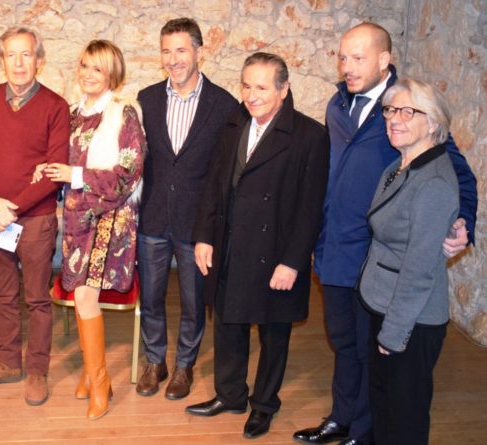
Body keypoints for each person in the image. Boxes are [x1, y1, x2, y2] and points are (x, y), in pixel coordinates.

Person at [294, 22, 478, 445]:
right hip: (336, 249)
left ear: (384, 59)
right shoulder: (337, 105)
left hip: (375, 257)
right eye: (343, 57)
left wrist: (463, 221)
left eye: (358, 58)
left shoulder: (409, 110)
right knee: (343, 343)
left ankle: (363, 431)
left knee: (371, 352)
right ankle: (341, 418)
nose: (347, 66)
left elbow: (458, 176)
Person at [185, 52, 330, 439]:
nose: (251, 95)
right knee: (228, 322)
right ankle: (230, 395)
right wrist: (204, 235)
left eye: (262, 87)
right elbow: (214, 185)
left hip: (275, 254)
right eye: (246, 86)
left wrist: (293, 262)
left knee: (273, 333)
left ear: (284, 89)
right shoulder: (234, 125)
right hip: (230, 243)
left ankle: (264, 405)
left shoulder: (310, 136)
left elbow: (310, 207)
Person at [33, 39, 145, 420]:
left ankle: (100, 382)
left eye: (97, 68)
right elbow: (57, 161)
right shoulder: (70, 114)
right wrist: (46, 169)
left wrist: (75, 174)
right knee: (83, 298)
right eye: (84, 66)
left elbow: (128, 174)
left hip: (110, 218)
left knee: (83, 296)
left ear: (112, 74)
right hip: (76, 220)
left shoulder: (124, 115)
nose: (88, 74)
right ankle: (89, 372)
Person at [0, 27, 70, 406]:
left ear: (38, 60)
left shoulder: (56, 106)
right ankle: (8, 362)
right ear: (2, 60)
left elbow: (55, 170)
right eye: (12, 55)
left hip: (35, 219)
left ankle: (37, 368)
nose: (19, 62)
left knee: (37, 298)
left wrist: (11, 208)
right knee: (1, 295)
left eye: (27, 54)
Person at [135, 17, 238, 400]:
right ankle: (155, 361)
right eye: (166, 51)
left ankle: (184, 366)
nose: (173, 59)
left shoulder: (224, 105)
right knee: (151, 297)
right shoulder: (146, 99)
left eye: (181, 50)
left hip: (197, 224)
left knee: (194, 302)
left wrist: (212, 226)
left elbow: (223, 173)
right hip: (153, 217)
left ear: (198, 52)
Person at [359, 78, 459, 445]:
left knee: (404, 420)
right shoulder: (399, 167)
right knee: (385, 408)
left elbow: (418, 271)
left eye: (407, 112)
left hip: (411, 321)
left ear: (432, 122)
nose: (394, 119)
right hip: (386, 303)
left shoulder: (433, 183)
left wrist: (394, 333)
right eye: (390, 111)